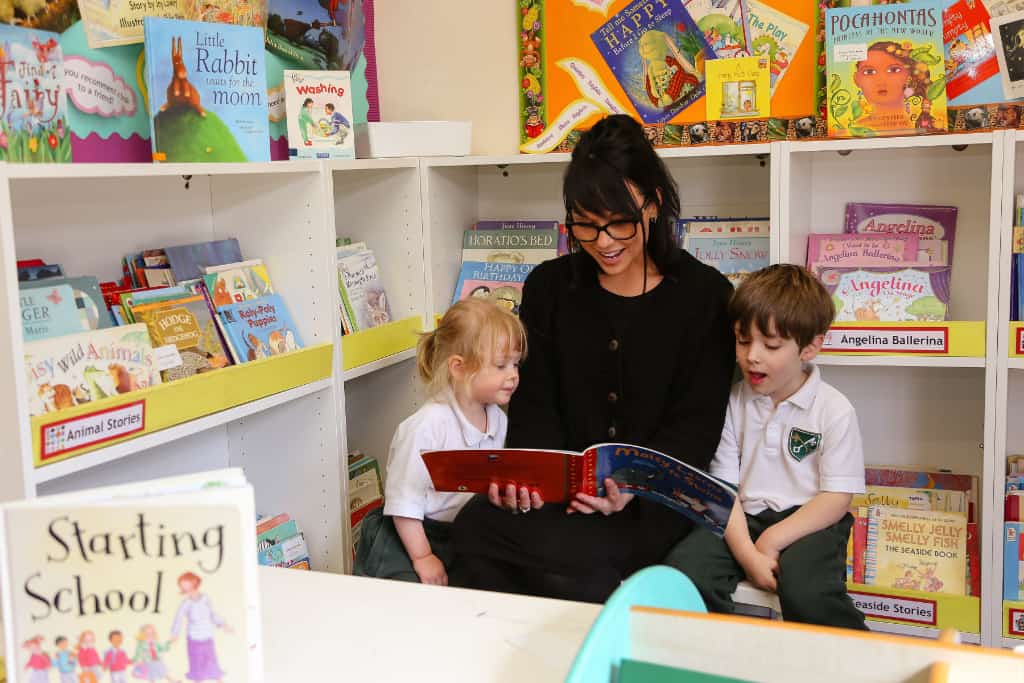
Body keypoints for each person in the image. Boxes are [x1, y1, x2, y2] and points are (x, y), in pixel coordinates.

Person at [450, 114, 736, 603]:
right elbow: (535, 405)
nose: (604, 242)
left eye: (620, 222)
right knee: (474, 529)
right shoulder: (549, 286)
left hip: (649, 502)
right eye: (586, 224)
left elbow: (695, 428)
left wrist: (628, 489)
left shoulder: (706, 296)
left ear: (655, 203)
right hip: (558, 496)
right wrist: (524, 483)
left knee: (581, 567)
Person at [665, 265, 867, 629]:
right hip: (739, 517)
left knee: (808, 592)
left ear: (810, 347)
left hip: (810, 522)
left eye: (770, 345)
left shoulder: (834, 410)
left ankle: (865, 660)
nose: (752, 356)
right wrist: (749, 554)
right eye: (743, 341)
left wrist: (773, 539)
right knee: (683, 574)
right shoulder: (732, 400)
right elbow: (722, 489)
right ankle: (712, 658)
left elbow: (837, 498)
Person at [353, 298, 526, 585]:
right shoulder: (427, 427)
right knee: (409, 595)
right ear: (458, 367)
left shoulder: (498, 420)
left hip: (459, 533)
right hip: (410, 534)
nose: (513, 375)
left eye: (515, 364)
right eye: (500, 365)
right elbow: (404, 502)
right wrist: (422, 557)